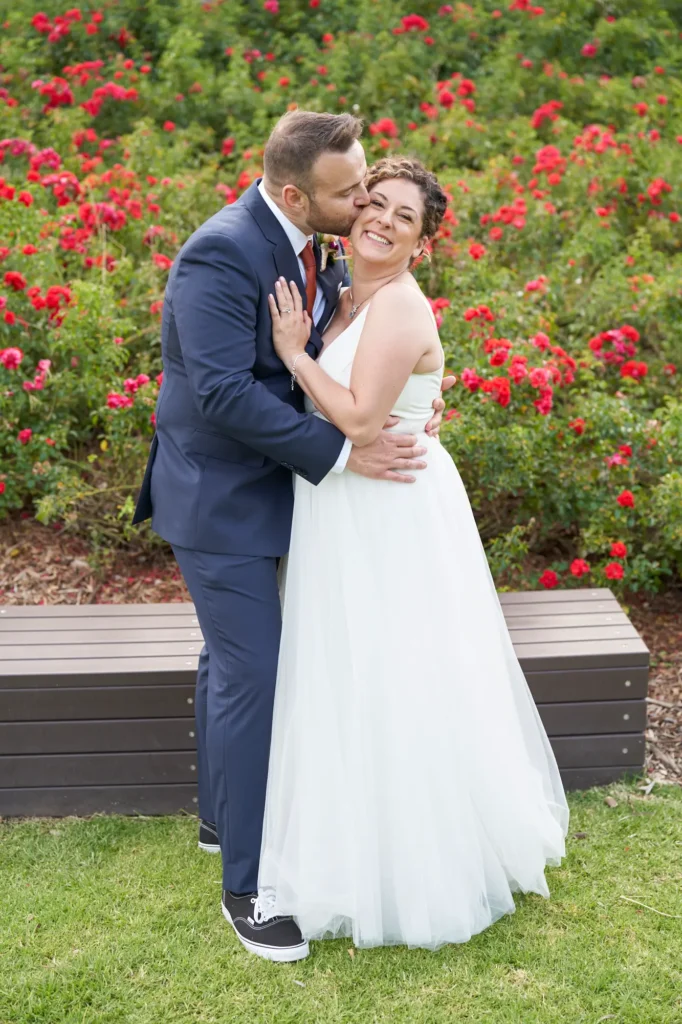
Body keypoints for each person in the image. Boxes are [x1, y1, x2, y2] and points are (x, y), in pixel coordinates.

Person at [132, 112, 452, 962]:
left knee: (228, 662)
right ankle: (249, 887)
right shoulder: (221, 251)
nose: (362, 206)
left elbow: (343, 347)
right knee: (255, 671)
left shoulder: (321, 250)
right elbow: (223, 394)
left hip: (281, 494)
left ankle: (217, 816)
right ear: (291, 194)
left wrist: (410, 395)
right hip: (219, 501)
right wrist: (346, 449)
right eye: (351, 193)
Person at [259, 156, 570, 957]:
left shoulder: (397, 306)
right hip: (344, 505)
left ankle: (418, 860)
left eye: (405, 218)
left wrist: (295, 355)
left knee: (398, 671)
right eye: (376, 203)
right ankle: (347, 839)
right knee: (349, 670)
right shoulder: (342, 288)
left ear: (421, 246)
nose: (384, 221)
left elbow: (362, 421)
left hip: (388, 509)